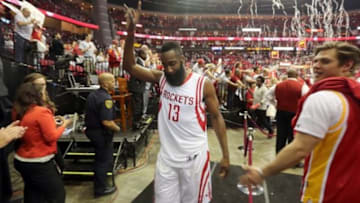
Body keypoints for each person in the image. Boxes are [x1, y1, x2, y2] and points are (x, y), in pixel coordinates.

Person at [123, 2, 229, 203]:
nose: (168, 69)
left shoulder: (202, 84)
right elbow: (129, 65)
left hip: (194, 160)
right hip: (167, 159)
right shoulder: (161, 78)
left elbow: (216, 118)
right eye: (165, 64)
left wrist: (225, 155)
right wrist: (131, 31)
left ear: (182, 59)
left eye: (172, 64)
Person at [239, 41, 360, 203]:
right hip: (353, 186)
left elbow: (300, 149)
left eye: (325, 61)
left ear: (347, 65)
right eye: (315, 61)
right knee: (288, 136)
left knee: (284, 138)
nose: (316, 65)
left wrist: (262, 172)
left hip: (326, 190)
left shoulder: (322, 98)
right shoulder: (354, 95)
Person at [13, 82, 72, 203]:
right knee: (57, 194)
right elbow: (51, 137)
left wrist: (50, 124)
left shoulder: (20, 110)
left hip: (22, 160)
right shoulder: (41, 112)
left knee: (33, 192)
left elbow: (33, 130)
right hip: (38, 161)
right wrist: (64, 125)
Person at [85, 73, 120, 198]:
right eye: (112, 81)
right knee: (103, 162)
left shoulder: (93, 95)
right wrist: (117, 129)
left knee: (100, 160)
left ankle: (100, 184)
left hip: (91, 132)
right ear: (105, 83)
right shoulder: (106, 99)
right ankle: (100, 189)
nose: (114, 83)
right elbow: (107, 122)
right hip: (101, 134)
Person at [265, 69, 309, 154]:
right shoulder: (302, 86)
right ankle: (291, 158)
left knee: (281, 135)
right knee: (292, 136)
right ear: (297, 76)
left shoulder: (278, 85)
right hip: (294, 113)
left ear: (287, 75)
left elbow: (268, 96)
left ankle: (279, 155)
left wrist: (275, 104)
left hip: (281, 112)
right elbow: (308, 99)